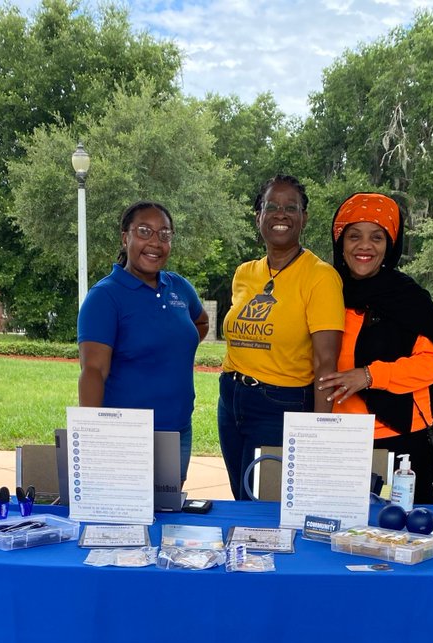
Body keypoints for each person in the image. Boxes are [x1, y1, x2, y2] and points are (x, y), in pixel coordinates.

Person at [218, 175, 345, 499]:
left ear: (304, 218)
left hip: (280, 405)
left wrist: (319, 433)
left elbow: (325, 362)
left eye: (292, 207)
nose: (281, 213)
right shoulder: (245, 273)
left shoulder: (320, 277)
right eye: (271, 206)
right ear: (258, 215)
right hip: (231, 398)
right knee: (241, 496)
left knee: (265, 505)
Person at [317, 192, 433, 505]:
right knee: (336, 532)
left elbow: (432, 364)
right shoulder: (324, 291)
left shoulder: (410, 299)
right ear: (340, 243)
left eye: (377, 237)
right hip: (338, 435)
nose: (365, 246)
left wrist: (370, 376)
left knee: (408, 535)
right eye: (354, 236)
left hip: (401, 436)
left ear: (390, 244)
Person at [78, 201, 209, 482]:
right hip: (126, 438)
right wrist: (91, 436)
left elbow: (201, 322)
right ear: (126, 238)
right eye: (145, 232)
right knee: (125, 520)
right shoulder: (105, 296)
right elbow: (93, 371)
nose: (156, 242)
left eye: (165, 234)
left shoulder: (179, 287)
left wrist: (171, 350)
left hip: (178, 432)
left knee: (168, 516)